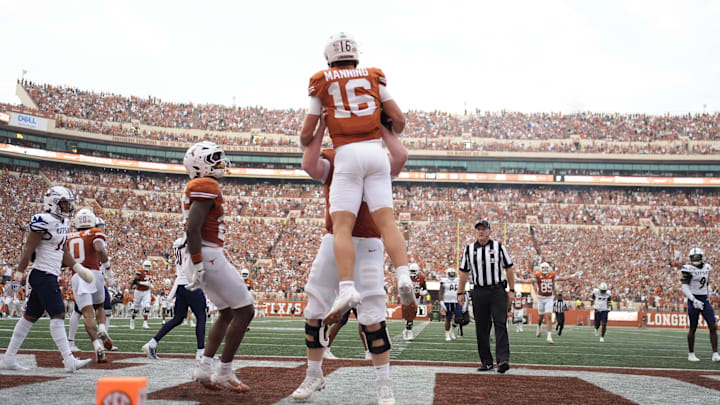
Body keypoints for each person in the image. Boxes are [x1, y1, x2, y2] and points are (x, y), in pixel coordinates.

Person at [291, 111, 408, 404]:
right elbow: (308, 164)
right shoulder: (337, 156)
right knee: (314, 310)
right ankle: (314, 373)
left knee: (373, 318)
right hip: (334, 240)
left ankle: (384, 383)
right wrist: (321, 128)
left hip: (368, 243)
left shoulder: (377, 160)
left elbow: (400, 157)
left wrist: (381, 129)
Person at [299, 33, 414, 325]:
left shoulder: (321, 80)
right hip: (375, 152)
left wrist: (325, 123)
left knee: (341, 226)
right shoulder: (374, 76)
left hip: (346, 154)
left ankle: (347, 287)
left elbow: (304, 138)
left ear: (329, 58)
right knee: (387, 221)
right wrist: (380, 124)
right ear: (356, 56)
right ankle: (403, 274)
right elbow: (399, 123)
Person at [183, 141, 255, 392]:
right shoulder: (207, 184)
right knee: (245, 312)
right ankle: (223, 371)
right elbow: (192, 228)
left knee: (226, 312)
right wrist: (198, 262)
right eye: (213, 158)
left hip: (203, 254)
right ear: (200, 164)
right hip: (207, 254)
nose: (219, 162)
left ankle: (204, 368)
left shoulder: (202, 185)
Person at [1, 186, 93, 372]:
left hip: (49, 274)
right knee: (58, 314)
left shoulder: (63, 222)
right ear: (52, 203)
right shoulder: (42, 220)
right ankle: (68, 360)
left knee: (29, 318)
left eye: (68, 203)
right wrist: (15, 279)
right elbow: (28, 250)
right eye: (64, 203)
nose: (68, 207)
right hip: (42, 274)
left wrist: (78, 268)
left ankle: (9, 358)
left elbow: (63, 250)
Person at [457, 219, 514, 374]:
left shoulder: (499, 247)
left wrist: (512, 289)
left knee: (500, 323)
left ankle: (502, 360)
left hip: (497, 291)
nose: (481, 232)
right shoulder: (469, 249)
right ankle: (486, 362)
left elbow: (509, 268)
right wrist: (460, 292)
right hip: (479, 291)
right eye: (478, 229)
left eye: (484, 229)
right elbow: (463, 272)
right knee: (481, 327)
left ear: (489, 231)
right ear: (476, 232)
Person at [142, 237, 207, 361]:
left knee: (178, 318)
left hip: (180, 286)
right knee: (201, 316)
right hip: (191, 283)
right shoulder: (191, 242)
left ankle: (152, 343)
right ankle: (201, 352)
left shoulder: (178, 243)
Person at [66, 208, 113, 363]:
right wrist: (107, 267)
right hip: (94, 273)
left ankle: (96, 345)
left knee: (86, 313)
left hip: (78, 275)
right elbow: (99, 248)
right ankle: (101, 327)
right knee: (100, 306)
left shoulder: (69, 236)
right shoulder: (95, 232)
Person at [516, 262, 578, 344]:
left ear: (548, 268)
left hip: (549, 298)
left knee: (548, 316)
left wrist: (573, 275)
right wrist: (519, 280)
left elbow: (563, 278)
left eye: (546, 268)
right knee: (540, 317)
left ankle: (549, 336)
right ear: (541, 269)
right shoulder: (538, 275)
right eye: (543, 268)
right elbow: (529, 280)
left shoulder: (552, 275)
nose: (545, 270)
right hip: (541, 298)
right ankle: (539, 327)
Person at [681, 248, 719, 362]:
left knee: (713, 325)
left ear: (702, 257)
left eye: (697, 257)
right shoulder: (688, 268)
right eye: (694, 257)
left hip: (704, 299)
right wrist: (693, 299)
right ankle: (691, 354)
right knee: (693, 327)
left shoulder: (707, 267)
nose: (695, 259)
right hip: (694, 299)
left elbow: (706, 284)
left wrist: (707, 296)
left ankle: (715, 353)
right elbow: (684, 287)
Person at [403, 263, 426, 340]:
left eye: (414, 271)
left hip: (416, 297)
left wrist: (422, 292)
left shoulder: (421, 277)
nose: (412, 272)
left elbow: (425, 288)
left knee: (413, 315)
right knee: (410, 315)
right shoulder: (407, 277)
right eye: (411, 271)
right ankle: (409, 332)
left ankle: (406, 330)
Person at [439, 268, 462, 341]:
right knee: (448, 318)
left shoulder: (458, 280)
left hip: (456, 301)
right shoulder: (444, 280)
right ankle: (447, 334)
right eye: (450, 274)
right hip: (447, 301)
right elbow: (441, 291)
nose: (452, 275)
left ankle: (451, 331)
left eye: (453, 274)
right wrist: (441, 301)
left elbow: (462, 290)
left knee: (459, 318)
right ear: (447, 274)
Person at [130, 260, 153, 329]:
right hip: (139, 291)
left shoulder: (151, 272)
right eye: (146, 266)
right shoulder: (140, 271)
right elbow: (134, 281)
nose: (147, 267)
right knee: (136, 308)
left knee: (147, 306)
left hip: (147, 291)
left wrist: (150, 284)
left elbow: (150, 281)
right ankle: (132, 320)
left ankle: (145, 323)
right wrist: (143, 283)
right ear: (143, 266)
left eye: (148, 266)